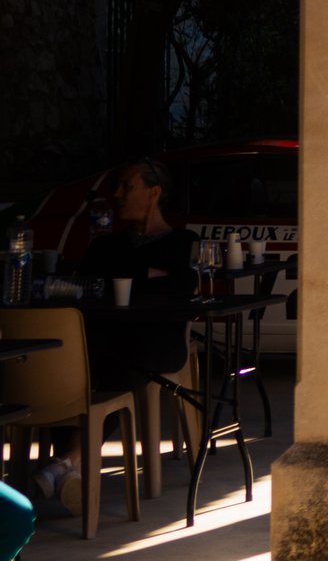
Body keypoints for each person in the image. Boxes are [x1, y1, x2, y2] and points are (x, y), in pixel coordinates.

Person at [24, 160, 198, 516]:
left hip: (156, 342)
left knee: (114, 361)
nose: (116, 195)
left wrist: (126, 274)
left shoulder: (183, 241)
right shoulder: (108, 243)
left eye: (125, 187)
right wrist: (145, 274)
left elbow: (182, 285)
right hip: (109, 341)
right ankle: (72, 471)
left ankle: (67, 461)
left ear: (153, 192)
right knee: (82, 363)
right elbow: (85, 282)